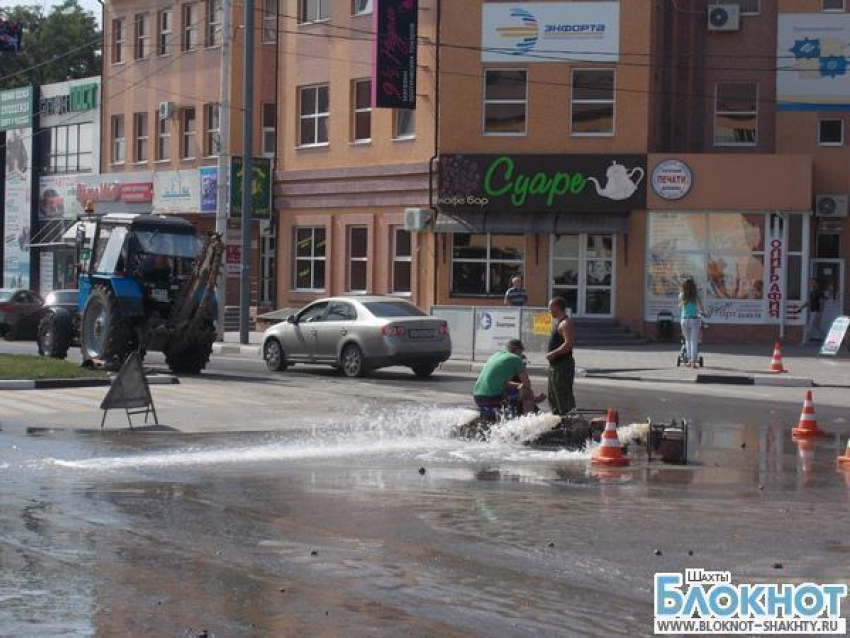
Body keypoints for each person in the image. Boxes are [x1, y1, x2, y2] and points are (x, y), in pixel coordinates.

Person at [473, 339, 541, 418]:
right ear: (518, 350)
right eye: (521, 352)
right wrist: (534, 399)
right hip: (492, 398)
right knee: (527, 393)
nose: (521, 354)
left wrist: (518, 385)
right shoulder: (516, 358)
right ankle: (528, 423)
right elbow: (527, 384)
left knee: (514, 392)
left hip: (478, 396)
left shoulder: (496, 355)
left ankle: (500, 416)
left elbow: (503, 383)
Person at [546, 297, 576, 415]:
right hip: (555, 365)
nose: (549, 310)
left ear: (557, 307)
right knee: (553, 396)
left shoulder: (566, 323)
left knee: (564, 397)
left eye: (550, 308)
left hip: (563, 365)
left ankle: (570, 425)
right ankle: (558, 423)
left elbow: (568, 344)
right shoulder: (559, 322)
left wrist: (553, 353)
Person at [679, 279, 705, 368]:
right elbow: (701, 307)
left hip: (684, 320)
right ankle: (693, 362)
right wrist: (702, 312)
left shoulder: (681, 295)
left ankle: (689, 361)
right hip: (694, 319)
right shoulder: (696, 296)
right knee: (694, 341)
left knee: (687, 340)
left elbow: (682, 307)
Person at [800, 278, 827, 345]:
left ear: (816, 283)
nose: (811, 284)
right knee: (818, 327)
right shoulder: (812, 292)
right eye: (811, 283)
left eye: (813, 283)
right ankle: (827, 339)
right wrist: (802, 307)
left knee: (808, 327)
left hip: (816, 311)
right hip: (812, 311)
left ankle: (804, 342)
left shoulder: (819, 292)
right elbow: (809, 301)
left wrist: (820, 313)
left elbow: (822, 303)